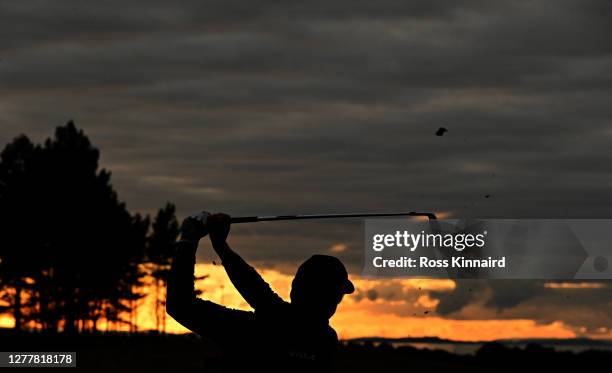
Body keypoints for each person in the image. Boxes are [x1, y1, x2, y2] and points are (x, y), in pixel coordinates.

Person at [166, 212, 354, 372]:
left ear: (294, 288)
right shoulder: (325, 341)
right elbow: (263, 298)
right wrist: (221, 247)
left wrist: (188, 241)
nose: (335, 302)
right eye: (337, 296)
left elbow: (180, 306)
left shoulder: (255, 329)